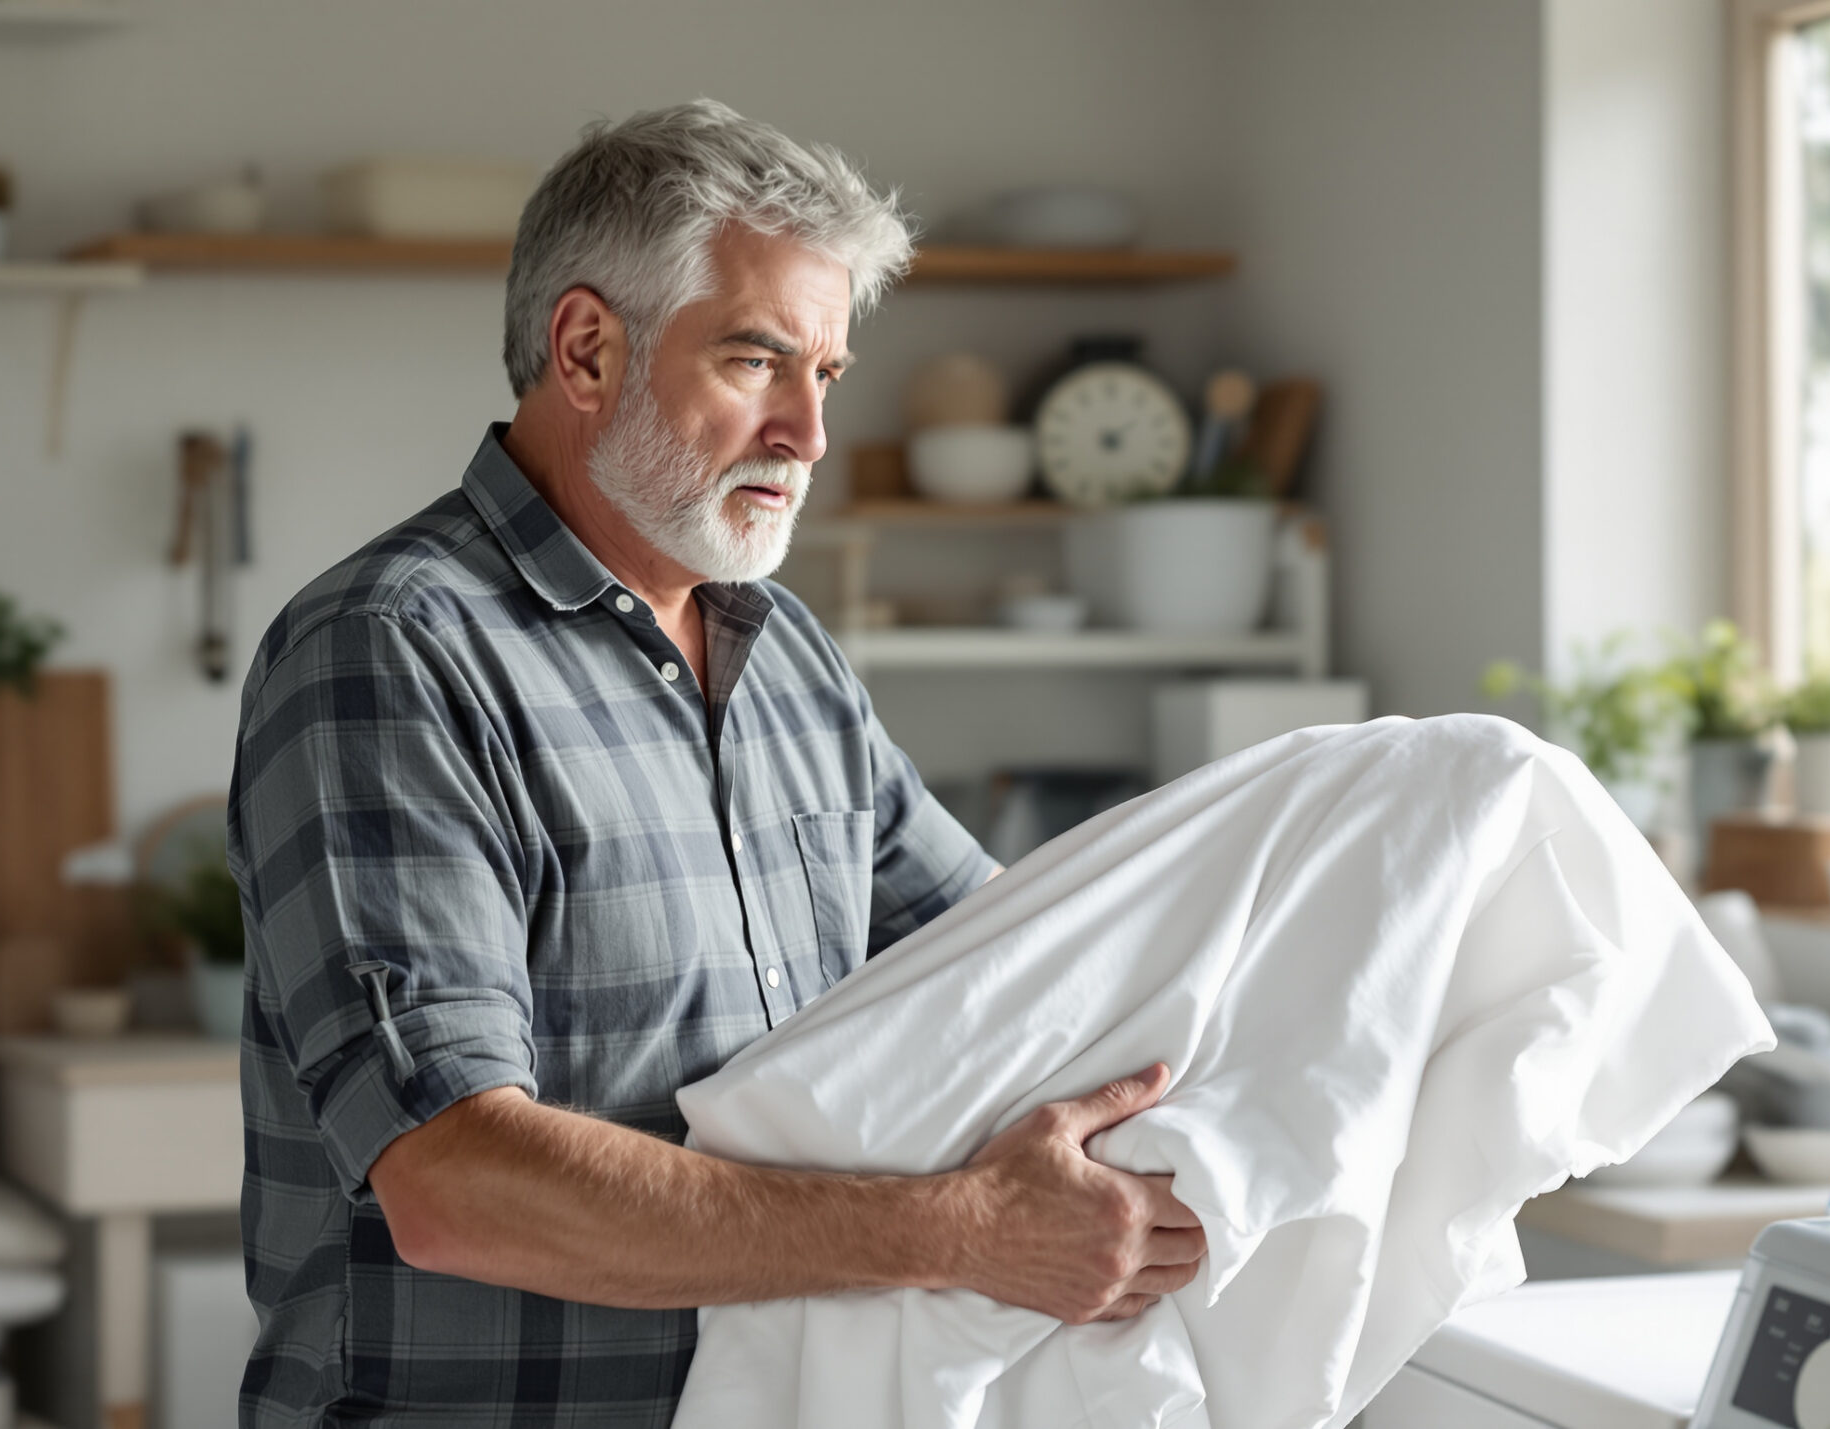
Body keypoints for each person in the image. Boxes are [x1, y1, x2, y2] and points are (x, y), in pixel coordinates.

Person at [227, 100, 1204, 1428]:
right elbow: (456, 1182)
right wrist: (961, 1231)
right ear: (586, 350)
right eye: (757, 360)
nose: (808, 433)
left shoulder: (787, 654)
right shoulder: (391, 650)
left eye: (827, 375)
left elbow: (1013, 968)